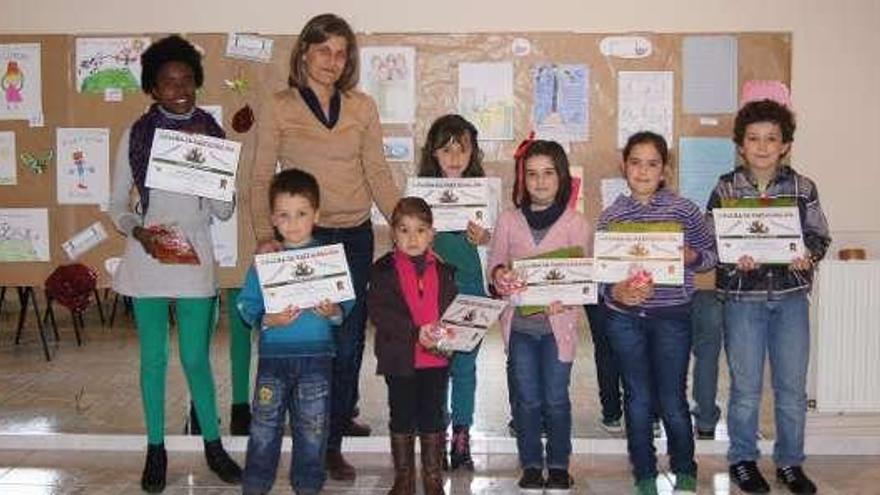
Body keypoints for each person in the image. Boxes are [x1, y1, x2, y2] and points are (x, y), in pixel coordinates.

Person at [250, 13, 400, 481]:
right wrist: (264, 238)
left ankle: (329, 441)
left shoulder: (363, 107)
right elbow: (259, 175)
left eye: (341, 53)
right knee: (301, 339)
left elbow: (376, 171)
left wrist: (405, 223)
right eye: (323, 51)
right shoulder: (279, 105)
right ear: (304, 53)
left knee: (349, 340)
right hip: (300, 242)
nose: (332, 61)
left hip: (354, 237)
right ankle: (299, 429)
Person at [107, 35, 241, 493]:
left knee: (196, 359)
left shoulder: (213, 134)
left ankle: (213, 445)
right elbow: (115, 205)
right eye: (168, 81)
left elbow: (224, 212)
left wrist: (212, 173)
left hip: (194, 258)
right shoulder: (137, 134)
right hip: (148, 256)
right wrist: (136, 230)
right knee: (153, 360)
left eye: (187, 79)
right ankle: (156, 449)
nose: (179, 88)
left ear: (197, 83)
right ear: (152, 87)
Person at [707, 99, 830, 494]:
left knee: (792, 387)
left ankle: (790, 463)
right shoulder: (725, 187)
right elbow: (712, 243)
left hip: (791, 299)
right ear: (740, 145)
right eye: (753, 138)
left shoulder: (803, 187)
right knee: (745, 388)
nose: (762, 146)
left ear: (785, 145)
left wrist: (806, 255)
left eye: (771, 138)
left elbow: (818, 236)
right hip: (743, 301)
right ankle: (743, 460)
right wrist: (731, 260)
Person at [598, 131, 716, 495]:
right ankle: (644, 474)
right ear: (624, 166)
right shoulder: (611, 216)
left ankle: (685, 469)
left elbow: (711, 256)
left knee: (672, 398)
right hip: (624, 319)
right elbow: (602, 280)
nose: (643, 171)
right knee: (637, 397)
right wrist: (616, 291)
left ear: (664, 169)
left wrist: (690, 257)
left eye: (652, 163)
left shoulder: (684, 210)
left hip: (672, 319)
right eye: (636, 162)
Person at [237, 169, 354, 495]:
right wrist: (267, 319)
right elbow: (246, 305)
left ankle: (308, 486)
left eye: (302, 214)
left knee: (313, 430)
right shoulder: (266, 260)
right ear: (273, 218)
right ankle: (256, 486)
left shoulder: (328, 260)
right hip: (273, 360)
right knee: (264, 428)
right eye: (284, 215)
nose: (293, 223)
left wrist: (333, 312)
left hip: (317, 360)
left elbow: (347, 302)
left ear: (316, 215)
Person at [488, 139, 589, 492]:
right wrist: (500, 276)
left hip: (557, 330)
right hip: (520, 330)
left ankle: (559, 464)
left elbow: (584, 280)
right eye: (531, 174)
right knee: (527, 399)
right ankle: (531, 464)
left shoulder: (576, 224)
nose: (540, 181)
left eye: (548, 173)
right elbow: (495, 267)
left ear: (561, 177)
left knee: (556, 398)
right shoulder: (508, 221)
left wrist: (570, 298)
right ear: (522, 179)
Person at [368, 197, 458, 495]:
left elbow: (453, 311)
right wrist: (415, 331)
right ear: (393, 234)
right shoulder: (382, 270)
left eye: (420, 230)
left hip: (436, 360)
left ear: (432, 233)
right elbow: (381, 312)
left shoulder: (445, 270)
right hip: (400, 360)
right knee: (402, 416)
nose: (412, 238)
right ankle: (404, 479)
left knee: (433, 417)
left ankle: (433, 479)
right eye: (404, 230)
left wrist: (455, 331)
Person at [417, 114, 490, 470]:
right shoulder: (420, 195)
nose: (454, 157)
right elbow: (408, 243)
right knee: (434, 366)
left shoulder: (483, 193)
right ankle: (437, 434)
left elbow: (497, 250)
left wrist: (485, 239)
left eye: (461, 148)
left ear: (472, 151)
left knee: (465, 367)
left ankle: (462, 436)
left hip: (472, 289)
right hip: (433, 292)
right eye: (446, 149)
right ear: (433, 152)